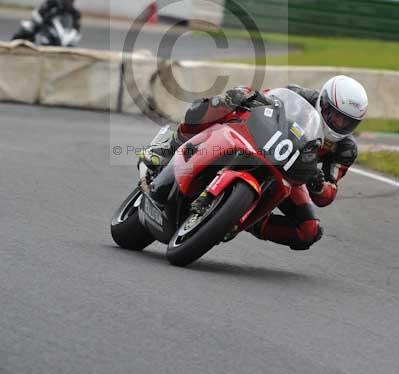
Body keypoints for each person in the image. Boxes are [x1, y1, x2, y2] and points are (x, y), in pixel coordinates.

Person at [139, 75, 368, 251]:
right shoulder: (302, 96)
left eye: (346, 121)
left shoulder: (345, 149)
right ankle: (171, 145)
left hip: (292, 174)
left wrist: (317, 183)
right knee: (234, 98)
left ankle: (248, 220)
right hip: (257, 139)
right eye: (335, 114)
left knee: (309, 231)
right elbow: (268, 98)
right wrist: (251, 98)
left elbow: (328, 193)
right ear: (323, 102)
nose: (338, 122)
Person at [12, 0, 80, 41]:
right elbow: (41, 14)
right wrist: (51, 15)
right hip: (44, 24)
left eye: (71, 0)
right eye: (67, 0)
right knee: (29, 28)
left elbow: (76, 27)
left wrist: (72, 33)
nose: (69, 3)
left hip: (61, 31)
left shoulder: (75, 12)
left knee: (74, 39)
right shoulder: (51, 3)